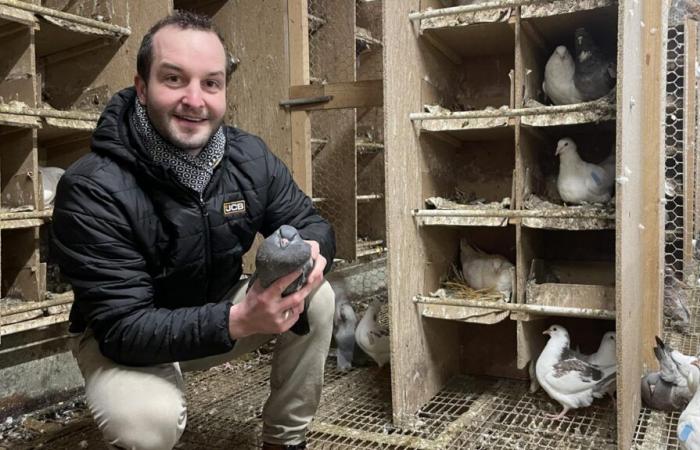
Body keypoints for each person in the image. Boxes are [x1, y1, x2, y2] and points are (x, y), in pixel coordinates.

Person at [51, 11, 335, 450]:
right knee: (146, 423)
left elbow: (309, 221)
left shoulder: (249, 158)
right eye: (174, 79)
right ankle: (151, 395)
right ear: (142, 88)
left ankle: (285, 441)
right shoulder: (93, 187)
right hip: (125, 339)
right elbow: (124, 327)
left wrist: (310, 256)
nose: (195, 100)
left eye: (211, 83)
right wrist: (238, 320)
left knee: (317, 296)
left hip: (216, 311)